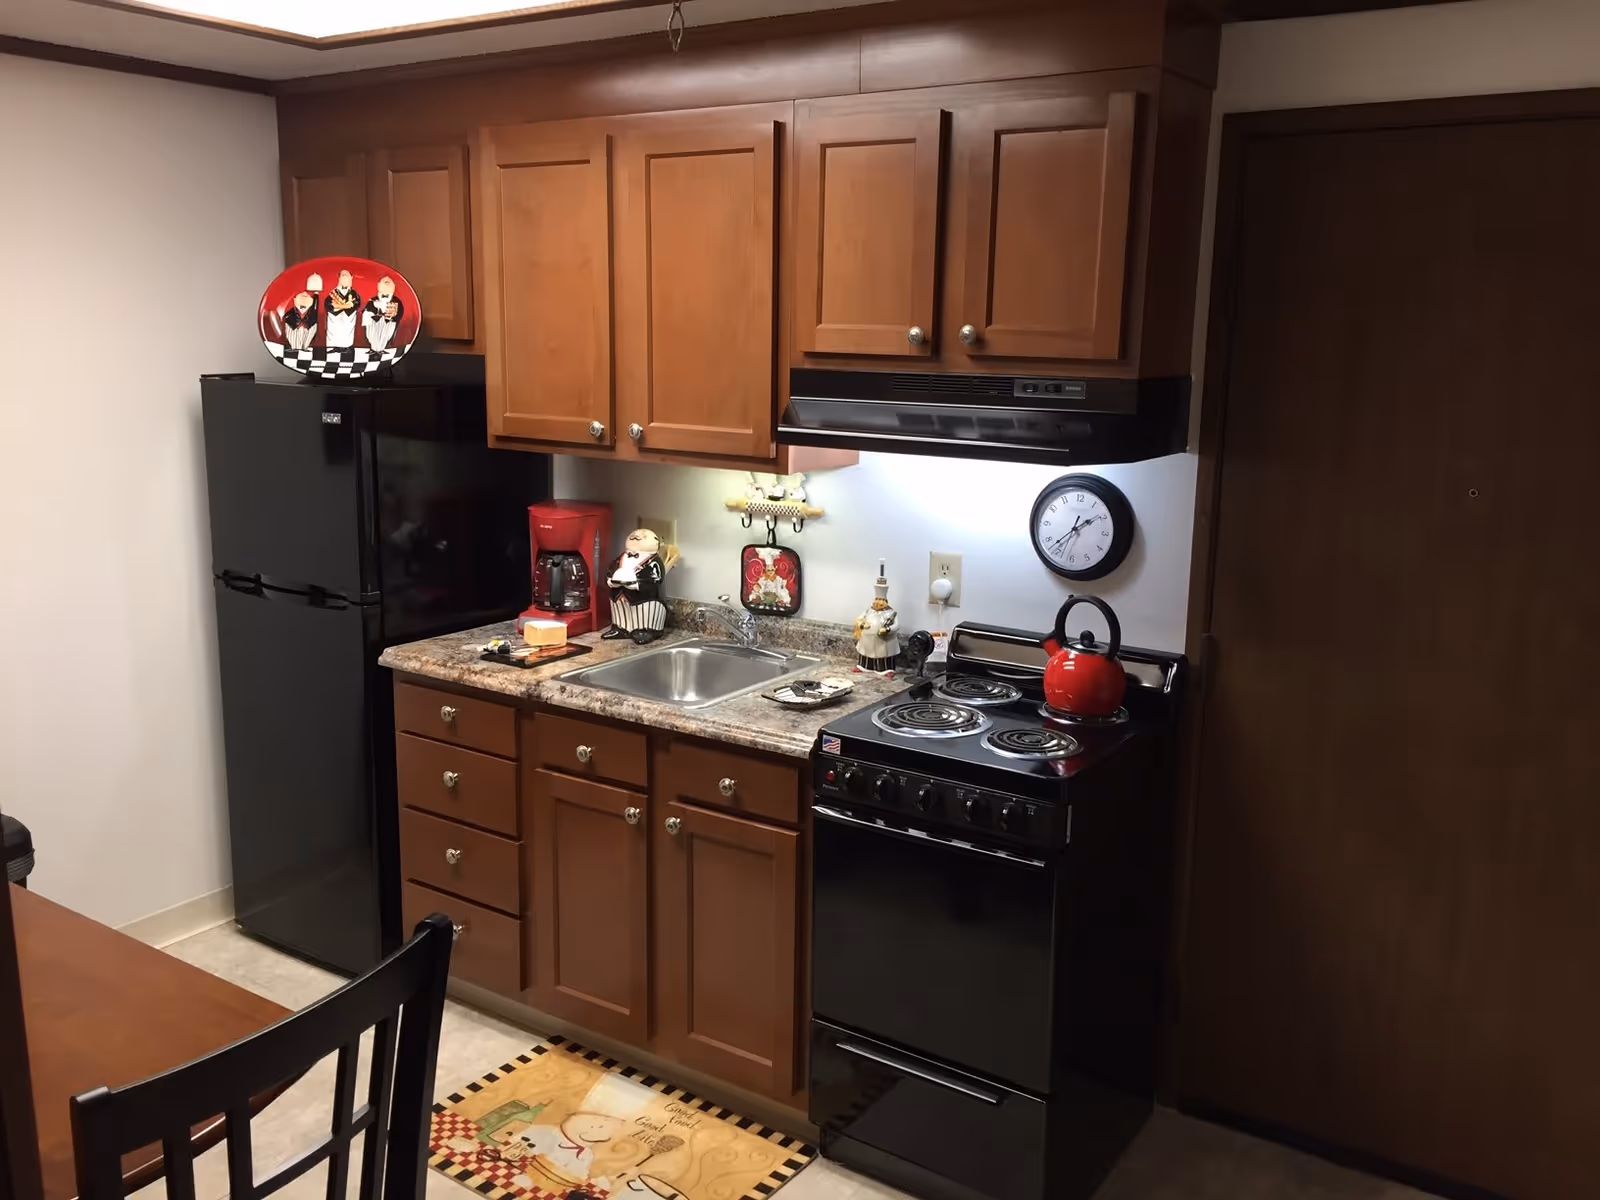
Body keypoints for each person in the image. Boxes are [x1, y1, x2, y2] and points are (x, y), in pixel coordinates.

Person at [362, 276, 404, 352]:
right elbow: (366, 310)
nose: (387, 283)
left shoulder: (397, 301)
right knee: (372, 335)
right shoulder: (373, 299)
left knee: (386, 335)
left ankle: (382, 349)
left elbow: (400, 313)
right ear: (379, 286)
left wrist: (393, 317)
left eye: (389, 282)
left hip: (389, 323)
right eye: (384, 282)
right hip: (374, 323)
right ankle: (373, 348)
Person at [323, 268, 361, 348]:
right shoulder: (334, 292)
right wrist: (345, 306)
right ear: (339, 278)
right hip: (334, 317)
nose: (344, 277)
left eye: (347, 275)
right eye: (342, 275)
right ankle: (333, 347)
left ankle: (346, 347)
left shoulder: (354, 293)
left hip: (348, 318)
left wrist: (345, 306)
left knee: (347, 332)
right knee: (334, 331)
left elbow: (357, 303)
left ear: (351, 277)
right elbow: (328, 303)